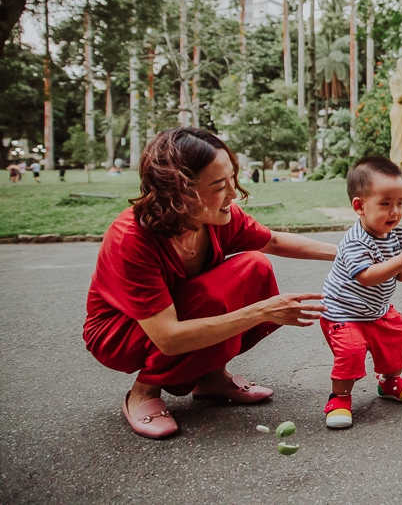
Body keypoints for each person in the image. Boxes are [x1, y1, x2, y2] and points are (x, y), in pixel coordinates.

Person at [83, 128, 338, 439]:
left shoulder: (215, 218)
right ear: (179, 194)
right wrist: (262, 312)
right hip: (122, 334)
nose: (234, 193)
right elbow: (169, 338)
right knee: (209, 299)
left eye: (232, 179)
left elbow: (272, 241)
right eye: (220, 186)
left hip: (180, 313)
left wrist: (347, 255)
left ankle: (212, 378)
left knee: (254, 266)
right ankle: (143, 391)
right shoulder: (131, 238)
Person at [320, 156, 402, 429]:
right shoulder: (354, 241)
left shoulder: (397, 236)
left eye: (400, 203)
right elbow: (367, 277)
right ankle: (339, 398)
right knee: (351, 351)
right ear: (359, 206)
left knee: (397, 339)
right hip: (342, 312)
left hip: (376, 311)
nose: (395, 212)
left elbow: (401, 275)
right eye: (385, 204)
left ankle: (389, 382)